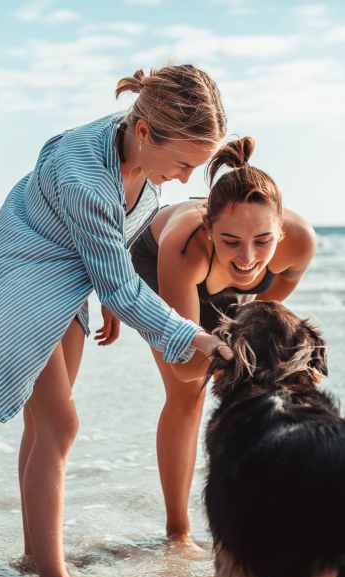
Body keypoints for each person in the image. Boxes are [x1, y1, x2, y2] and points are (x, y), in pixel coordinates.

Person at [0, 65, 233, 577]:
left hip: (69, 279)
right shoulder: (84, 176)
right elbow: (124, 289)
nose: (187, 179)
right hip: (22, 279)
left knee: (43, 428)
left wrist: (111, 276)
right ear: (146, 133)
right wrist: (190, 336)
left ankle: (37, 555)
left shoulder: (141, 135)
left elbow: (114, 259)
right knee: (61, 425)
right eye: (183, 163)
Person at [98, 136, 316, 550]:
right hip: (154, 262)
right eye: (231, 240)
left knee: (260, 389)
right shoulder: (186, 242)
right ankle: (178, 532)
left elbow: (278, 286)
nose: (249, 257)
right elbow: (184, 364)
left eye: (263, 241)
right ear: (210, 226)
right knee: (188, 392)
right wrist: (120, 298)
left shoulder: (300, 242)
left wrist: (240, 335)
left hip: (218, 286)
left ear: (281, 226)